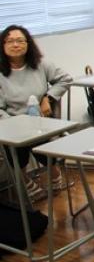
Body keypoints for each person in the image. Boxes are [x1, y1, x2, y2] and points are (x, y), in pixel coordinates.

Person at [0, 25, 72, 200]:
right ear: (2, 45)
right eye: (10, 41)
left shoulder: (41, 64)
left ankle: (55, 174)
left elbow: (65, 79)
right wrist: (15, 125)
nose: (15, 45)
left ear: (28, 44)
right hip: (11, 123)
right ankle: (26, 182)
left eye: (20, 40)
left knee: (45, 146)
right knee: (15, 152)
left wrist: (48, 97)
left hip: (40, 119)